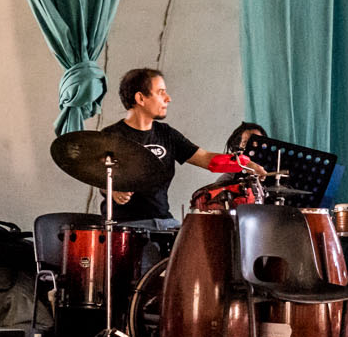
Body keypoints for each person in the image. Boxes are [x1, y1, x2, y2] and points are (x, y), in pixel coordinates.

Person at [103, 68, 247, 230]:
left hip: (164, 222)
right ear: (140, 98)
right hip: (126, 226)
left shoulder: (166, 133)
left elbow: (207, 159)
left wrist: (247, 164)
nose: (168, 98)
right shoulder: (111, 136)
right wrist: (113, 191)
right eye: (161, 92)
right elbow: (96, 176)